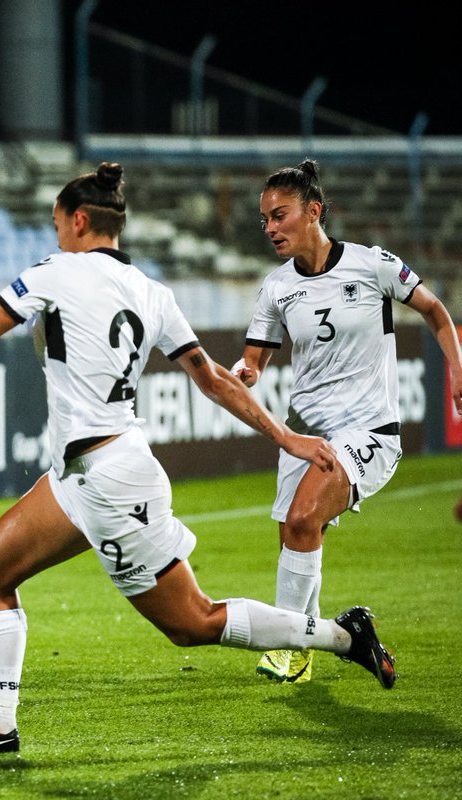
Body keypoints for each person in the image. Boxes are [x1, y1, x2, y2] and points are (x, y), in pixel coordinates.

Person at [0, 162, 397, 754]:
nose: (55, 237)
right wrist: (285, 436)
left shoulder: (55, 271)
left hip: (113, 479)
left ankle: (343, 637)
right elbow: (215, 379)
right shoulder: (153, 291)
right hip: (80, 475)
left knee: (193, 622)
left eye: (56, 225)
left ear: (77, 221)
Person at [233, 160, 462, 685]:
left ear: (313, 212)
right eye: (264, 219)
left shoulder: (372, 264)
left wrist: (457, 369)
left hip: (368, 433)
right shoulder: (275, 288)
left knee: (300, 520)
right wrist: (241, 373)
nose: (270, 227)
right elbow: (255, 360)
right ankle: (325, 641)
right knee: (298, 533)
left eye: (280, 215)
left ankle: (292, 650)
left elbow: (434, 310)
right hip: (305, 435)